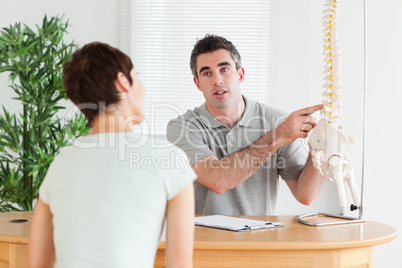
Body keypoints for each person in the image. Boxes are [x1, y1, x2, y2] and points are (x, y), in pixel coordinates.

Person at [28, 42, 196, 268]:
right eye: (138, 77)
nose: (143, 89)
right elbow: (180, 264)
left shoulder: (61, 162)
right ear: (123, 82)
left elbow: (38, 264)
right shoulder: (169, 159)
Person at [166, 34, 323, 215]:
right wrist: (276, 137)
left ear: (240, 74)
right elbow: (217, 180)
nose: (217, 80)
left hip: (259, 240)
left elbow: (305, 196)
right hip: (204, 242)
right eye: (207, 73)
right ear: (197, 83)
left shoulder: (277, 121)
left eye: (224, 69)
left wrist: (320, 149)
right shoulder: (183, 128)